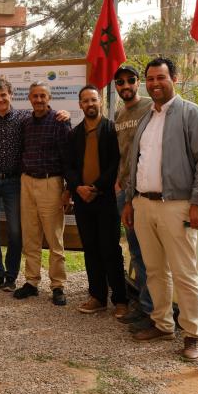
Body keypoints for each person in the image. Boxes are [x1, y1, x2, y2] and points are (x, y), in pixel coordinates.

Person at [122, 57, 198, 362]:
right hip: (144, 204)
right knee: (155, 270)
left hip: (178, 206)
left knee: (184, 272)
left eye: (161, 78)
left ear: (175, 78)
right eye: (150, 79)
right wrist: (130, 202)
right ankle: (162, 324)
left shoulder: (192, 114)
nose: (155, 84)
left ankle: (193, 334)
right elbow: (138, 162)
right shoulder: (147, 117)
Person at [0, 78, 70, 293]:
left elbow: (64, 150)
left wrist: (63, 114)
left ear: (11, 95)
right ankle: (10, 277)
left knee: (28, 233)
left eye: (3, 95)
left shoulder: (27, 118)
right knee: (6, 232)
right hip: (1, 181)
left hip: (25, 182)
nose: (0, 99)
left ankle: (29, 279)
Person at [65, 85, 128, 317]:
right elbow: (69, 166)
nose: (90, 104)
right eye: (85, 101)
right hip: (82, 200)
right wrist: (77, 187)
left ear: (100, 101)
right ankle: (97, 296)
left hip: (106, 199)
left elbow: (115, 164)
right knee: (90, 248)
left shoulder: (112, 130)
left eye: (93, 100)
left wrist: (96, 187)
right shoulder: (74, 134)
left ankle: (120, 300)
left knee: (110, 248)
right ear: (80, 104)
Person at [13, 82, 71, 306]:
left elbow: (67, 157)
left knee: (54, 237)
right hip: (27, 182)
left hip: (51, 182)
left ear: (49, 98)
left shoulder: (59, 121)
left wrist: (68, 189)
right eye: (34, 96)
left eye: (42, 96)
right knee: (31, 235)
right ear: (29, 98)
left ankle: (58, 285)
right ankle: (31, 282)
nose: (38, 100)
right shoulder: (25, 122)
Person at [112, 65, 155, 331]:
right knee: (136, 250)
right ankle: (143, 304)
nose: (125, 86)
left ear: (138, 82)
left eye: (130, 81)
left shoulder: (151, 108)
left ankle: (152, 309)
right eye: (120, 82)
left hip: (146, 192)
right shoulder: (119, 113)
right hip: (124, 191)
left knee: (150, 252)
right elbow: (121, 152)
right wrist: (118, 182)